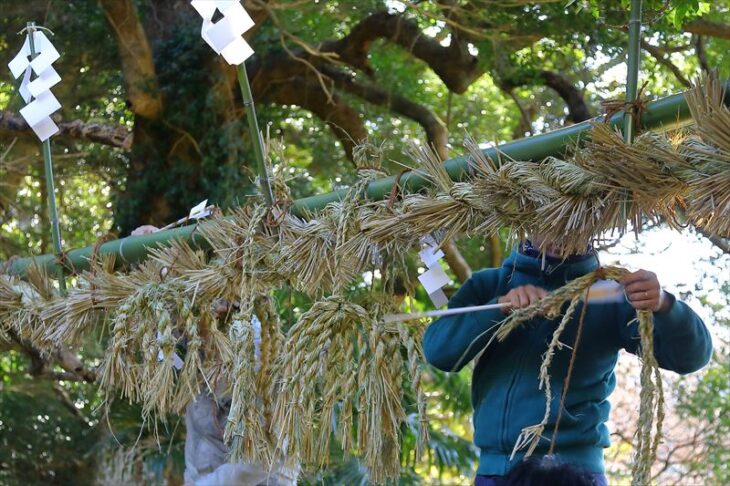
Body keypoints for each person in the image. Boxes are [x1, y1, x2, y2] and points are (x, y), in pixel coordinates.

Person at [422, 238, 713, 485]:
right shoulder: (488, 285)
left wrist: (664, 305)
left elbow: (691, 357)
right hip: (496, 473)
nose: (559, 235)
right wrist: (500, 307)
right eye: (546, 219)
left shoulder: (612, 294)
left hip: (575, 474)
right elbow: (440, 352)